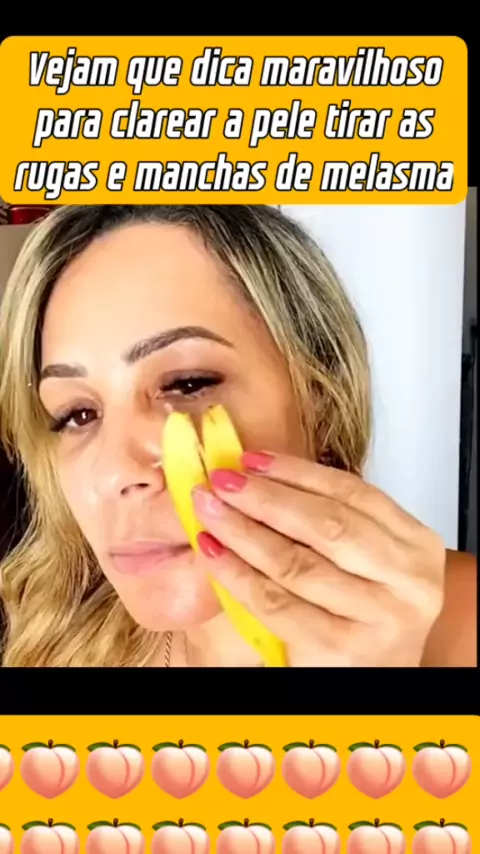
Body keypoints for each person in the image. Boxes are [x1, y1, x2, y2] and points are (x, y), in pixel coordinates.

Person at [0, 204, 476, 668]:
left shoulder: (462, 625)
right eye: (77, 414)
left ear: (320, 400)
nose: (115, 473)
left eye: (188, 384)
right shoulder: (54, 639)